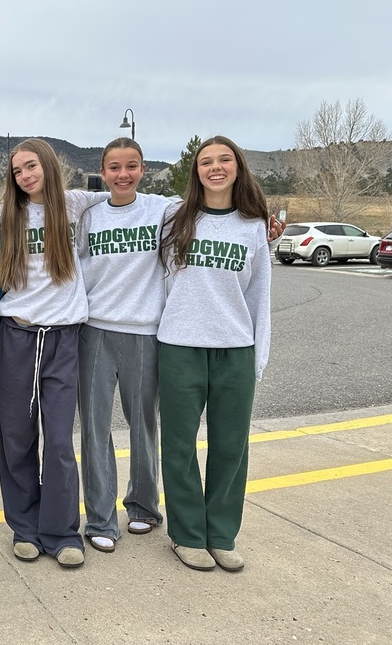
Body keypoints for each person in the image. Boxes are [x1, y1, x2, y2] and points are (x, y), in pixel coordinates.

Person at [157, 135, 271, 573]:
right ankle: (187, 535)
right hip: (180, 344)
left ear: (238, 167)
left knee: (230, 447)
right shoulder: (175, 216)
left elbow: (260, 294)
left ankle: (221, 534)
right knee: (180, 446)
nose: (215, 167)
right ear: (196, 170)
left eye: (225, 160)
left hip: (235, 348)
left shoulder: (253, 225)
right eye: (206, 161)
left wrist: (259, 354)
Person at [0, 137, 106, 569]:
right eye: (17, 171)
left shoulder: (75, 204)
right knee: (17, 439)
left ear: (48, 165)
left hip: (62, 337)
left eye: (31, 166)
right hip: (18, 335)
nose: (25, 176)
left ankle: (60, 531)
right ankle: (24, 528)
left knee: (59, 440)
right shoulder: (5, 214)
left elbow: (132, 198)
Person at [76, 138, 168, 553]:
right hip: (94, 329)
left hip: (144, 331)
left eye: (131, 166)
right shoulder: (90, 215)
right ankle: (100, 517)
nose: (123, 174)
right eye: (114, 167)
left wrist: (261, 220)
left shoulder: (162, 209)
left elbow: (213, 205)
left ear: (143, 169)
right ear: (103, 171)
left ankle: (144, 506)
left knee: (144, 425)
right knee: (95, 428)